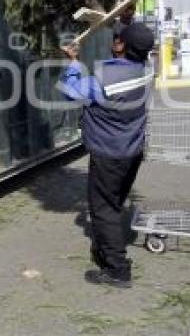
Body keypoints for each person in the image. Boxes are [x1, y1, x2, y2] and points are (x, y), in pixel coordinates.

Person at [59, 22, 155, 288]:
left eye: (117, 38)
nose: (114, 40)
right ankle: (105, 249)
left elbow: (70, 92)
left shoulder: (103, 80)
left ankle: (117, 270)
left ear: (120, 45)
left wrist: (73, 61)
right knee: (113, 203)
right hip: (132, 151)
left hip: (108, 154)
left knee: (103, 210)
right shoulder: (147, 70)